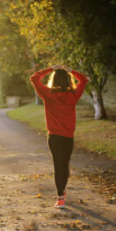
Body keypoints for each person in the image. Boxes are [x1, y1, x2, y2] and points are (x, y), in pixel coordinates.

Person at [30, 64, 89, 208]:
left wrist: (51, 69)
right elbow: (84, 79)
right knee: (65, 163)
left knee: (58, 164)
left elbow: (34, 78)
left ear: (54, 80)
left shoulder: (48, 94)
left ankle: (60, 196)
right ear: (68, 80)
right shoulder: (74, 95)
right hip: (68, 136)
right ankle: (62, 191)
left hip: (54, 136)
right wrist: (71, 70)